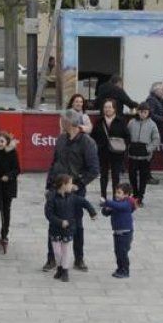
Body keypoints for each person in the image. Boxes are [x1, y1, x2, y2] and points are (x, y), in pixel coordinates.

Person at [41, 111, 99, 272]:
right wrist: (48, 186)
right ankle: (51, 258)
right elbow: (54, 163)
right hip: (56, 189)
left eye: (63, 122)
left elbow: (94, 170)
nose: (60, 124)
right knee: (54, 223)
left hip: (74, 192)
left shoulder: (87, 143)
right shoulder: (60, 139)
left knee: (77, 225)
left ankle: (79, 258)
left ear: (71, 124)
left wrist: (78, 184)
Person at [44, 173, 97, 282]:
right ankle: (59, 267)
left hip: (68, 229)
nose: (72, 186)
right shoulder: (52, 198)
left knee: (66, 251)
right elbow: (49, 214)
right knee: (57, 252)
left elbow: (85, 203)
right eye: (70, 184)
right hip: (55, 229)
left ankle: (65, 270)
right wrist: (60, 222)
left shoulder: (73, 197)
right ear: (63, 185)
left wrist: (92, 213)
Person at [91, 98, 128, 199]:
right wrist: (97, 146)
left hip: (117, 153)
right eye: (105, 107)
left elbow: (127, 136)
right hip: (102, 152)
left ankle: (115, 197)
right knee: (103, 175)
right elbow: (93, 136)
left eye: (109, 107)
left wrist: (124, 148)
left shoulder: (121, 121)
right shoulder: (99, 121)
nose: (107, 109)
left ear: (114, 109)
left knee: (115, 176)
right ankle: (103, 196)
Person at [126, 101, 160, 204]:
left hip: (145, 157)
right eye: (141, 112)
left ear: (148, 112)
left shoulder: (152, 124)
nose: (143, 114)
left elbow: (156, 139)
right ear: (137, 112)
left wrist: (148, 149)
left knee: (143, 177)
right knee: (132, 175)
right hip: (132, 155)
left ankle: (140, 197)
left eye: (145, 112)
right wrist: (129, 147)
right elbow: (127, 135)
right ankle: (135, 193)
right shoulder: (131, 123)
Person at [101, 182, 137, 278]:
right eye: (116, 192)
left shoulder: (127, 203)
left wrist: (107, 202)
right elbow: (106, 213)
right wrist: (106, 208)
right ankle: (120, 268)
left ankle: (125, 270)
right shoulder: (116, 203)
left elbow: (119, 207)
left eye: (119, 192)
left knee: (123, 253)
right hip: (117, 233)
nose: (116, 194)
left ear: (126, 194)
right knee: (118, 252)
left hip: (125, 233)